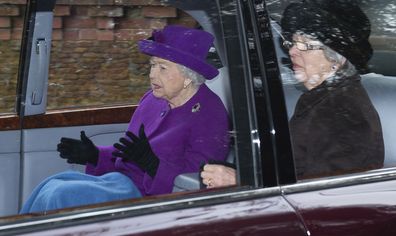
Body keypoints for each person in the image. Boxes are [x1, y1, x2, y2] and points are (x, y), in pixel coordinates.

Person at [20, 25, 230, 214]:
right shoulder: (152, 100)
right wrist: (95, 155)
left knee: (62, 194)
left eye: (162, 68)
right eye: (152, 65)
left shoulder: (210, 114)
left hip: (153, 200)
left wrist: (154, 165)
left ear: (188, 76)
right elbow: (129, 151)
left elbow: (199, 182)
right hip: (120, 182)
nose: (152, 75)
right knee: (52, 184)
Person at [201, 0, 384, 186]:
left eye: (305, 45)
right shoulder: (321, 99)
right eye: (292, 43)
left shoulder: (345, 113)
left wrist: (240, 180)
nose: (292, 51)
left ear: (337, 58)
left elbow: (325, 192)